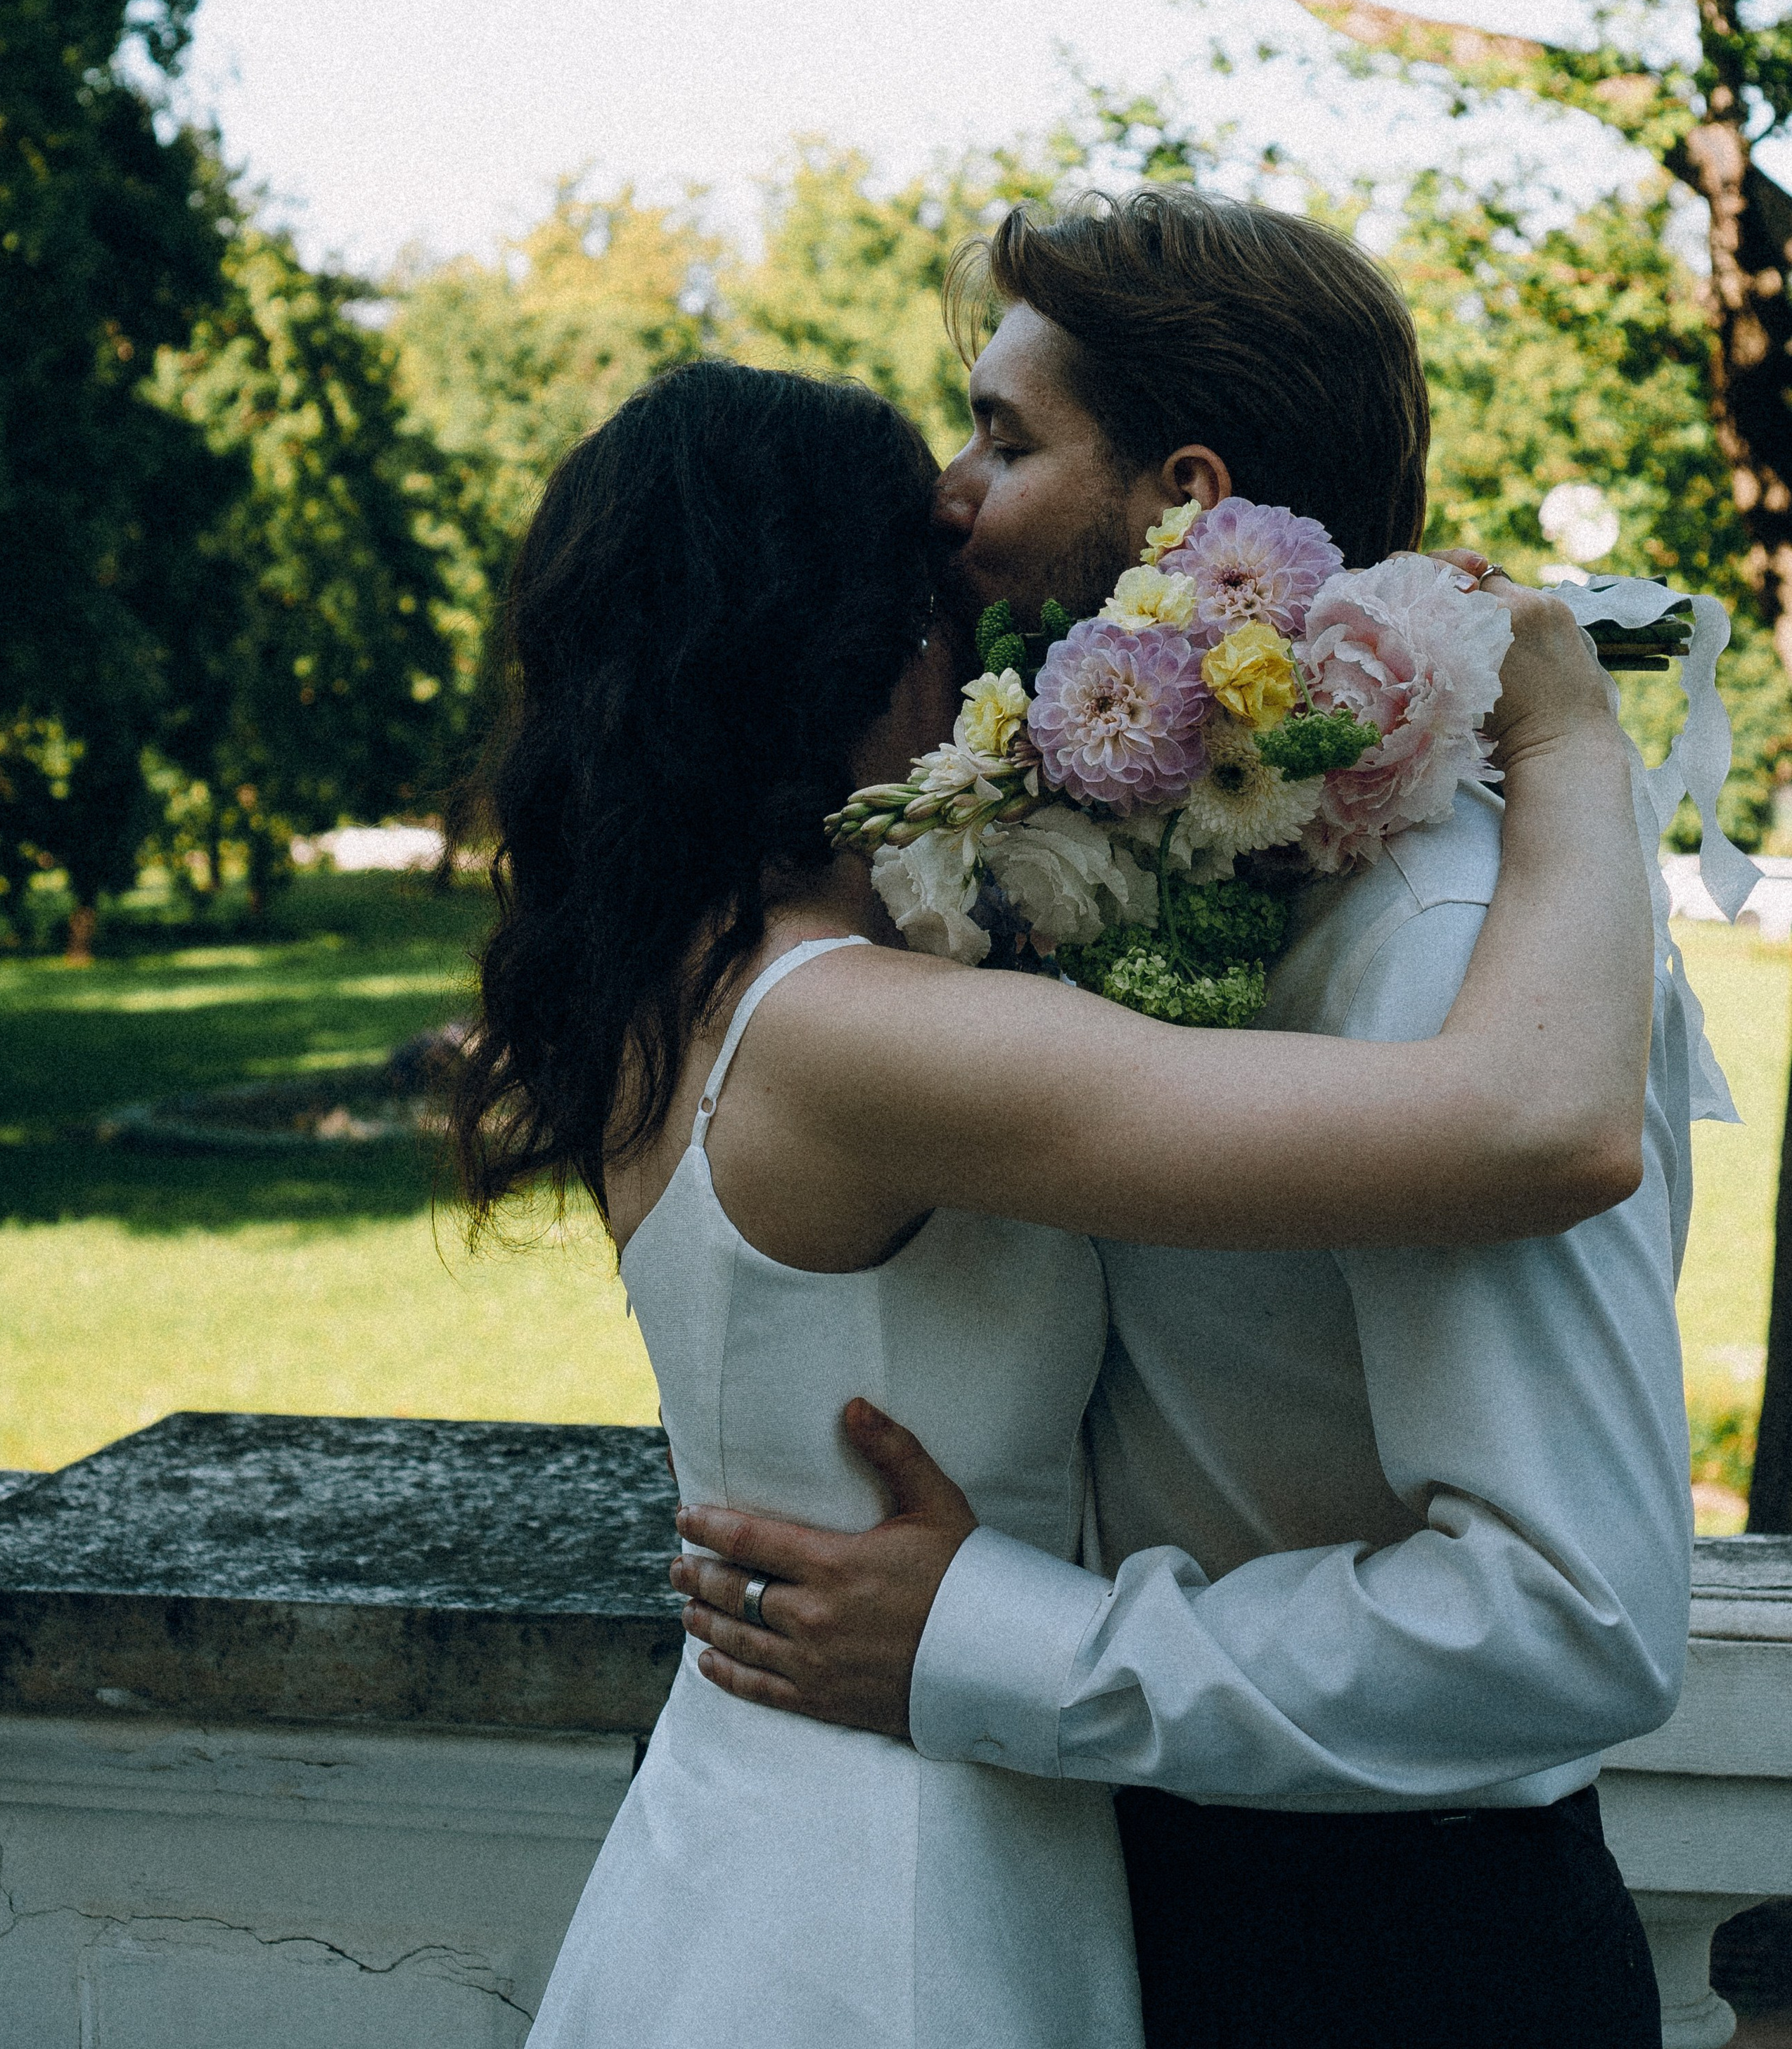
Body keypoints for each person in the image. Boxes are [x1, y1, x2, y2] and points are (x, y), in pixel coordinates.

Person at [456, 345, 1656, 2049]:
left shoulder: (700, 975)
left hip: (783, 1800)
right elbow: (1540, 1127)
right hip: (903, 1872)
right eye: (929, 589)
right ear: (852, 631)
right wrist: (1564, 733)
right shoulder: (858, 1036)